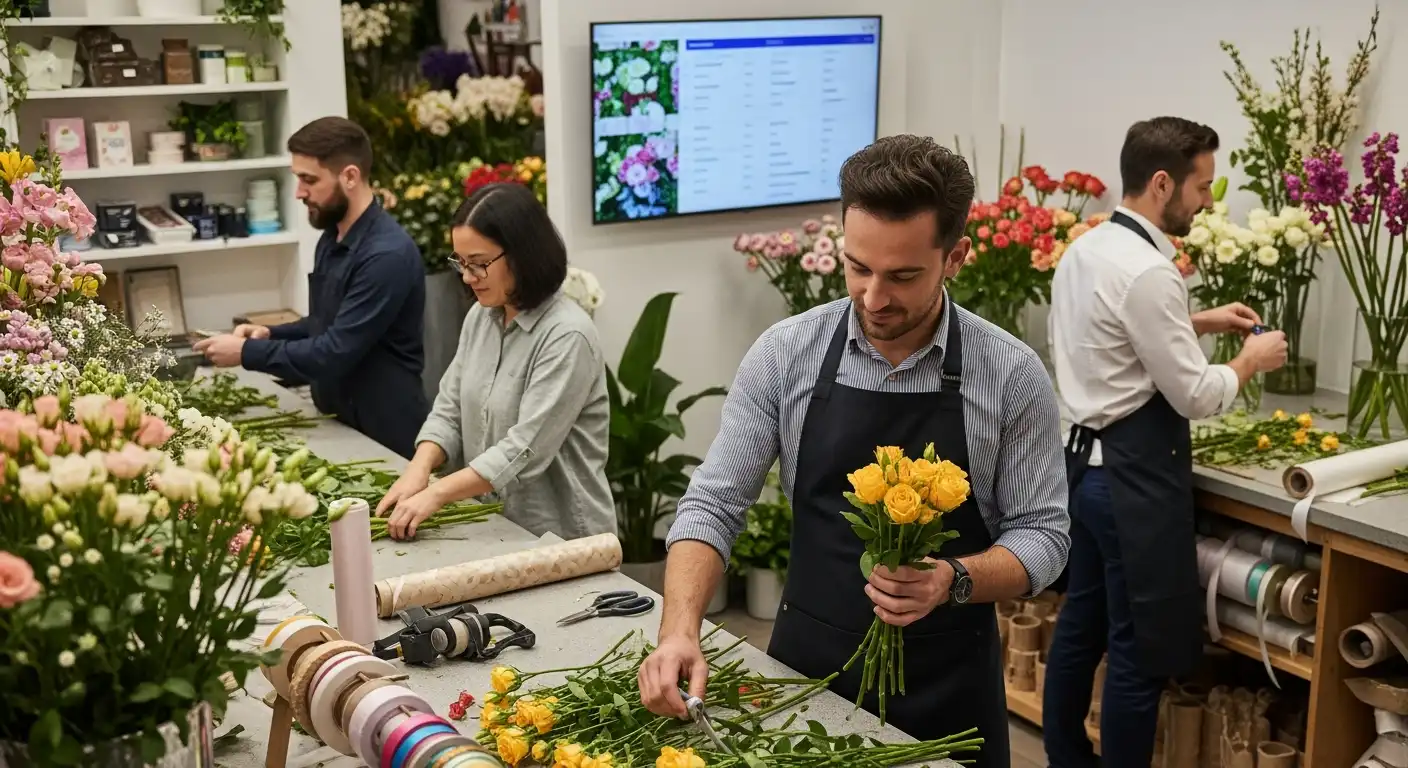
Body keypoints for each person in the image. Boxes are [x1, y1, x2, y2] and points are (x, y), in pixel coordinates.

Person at [635, 135, 1071, 767]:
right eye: (857, 267)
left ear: (955, 258)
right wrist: (679, 631)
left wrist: (954, 579)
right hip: (805, 684)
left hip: (951, 704)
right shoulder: (786, 355)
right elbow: (713, 505)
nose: (872, 298)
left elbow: (1045, 536)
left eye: (902, 276)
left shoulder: (1009, 374)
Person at [1042, 117, 1288, 768]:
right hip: (1132, 483)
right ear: (1161, 183)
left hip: (1082, 473)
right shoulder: (1150, 270)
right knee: (1137, 652)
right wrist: (1249, 361)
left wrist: (1198, 320)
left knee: (1078, 628)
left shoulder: (1087, 248)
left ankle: (1067, 759)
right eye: (1201, 187)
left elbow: (1110, 335)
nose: (1206, 202)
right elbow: (1195, 396)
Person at [374, 183, 614, 542]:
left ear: (522, 255)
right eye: (461, 263)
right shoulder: (481, 318)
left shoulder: (567, 335)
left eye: (480, 264)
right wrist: (419, 468)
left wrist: (436, 494)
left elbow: (523, 451)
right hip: (493, 527)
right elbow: (450, 407)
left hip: (561, 538)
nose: (468, 277)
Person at [194, 117, 429, 459]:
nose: (299, 192)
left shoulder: (385, 256)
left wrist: (245, 354)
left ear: (350, 176)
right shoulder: (332, 238)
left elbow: (333, 351)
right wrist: (269, 334)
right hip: (340, 420)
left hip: (385, 433)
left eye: (309, 180)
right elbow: (326, 322)